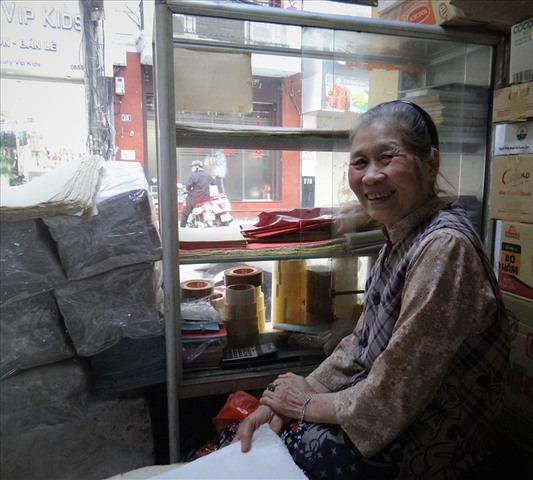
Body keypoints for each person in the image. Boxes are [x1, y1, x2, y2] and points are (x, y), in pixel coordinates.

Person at [215, 100, 510, 479]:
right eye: (359, 162)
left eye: (387, 158)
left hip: (426, 447)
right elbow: (361, 343)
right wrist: (296, 395)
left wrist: (305, 405)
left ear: (431, 163)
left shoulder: (444, 249)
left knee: (268, 456)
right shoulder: (400, 238)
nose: (371, 177)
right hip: (380, 419)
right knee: (251, 439)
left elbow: (395, 391)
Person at [180, 160, 215, 227]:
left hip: (194, 199)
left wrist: (185, 190)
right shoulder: (208, 175)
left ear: (197, 166)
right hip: (206, 199)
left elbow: (188, 188)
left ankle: (182, 227)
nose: (192, 169)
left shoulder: (193, 176)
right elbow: (214, 183)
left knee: (185, 213)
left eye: (193, 167)